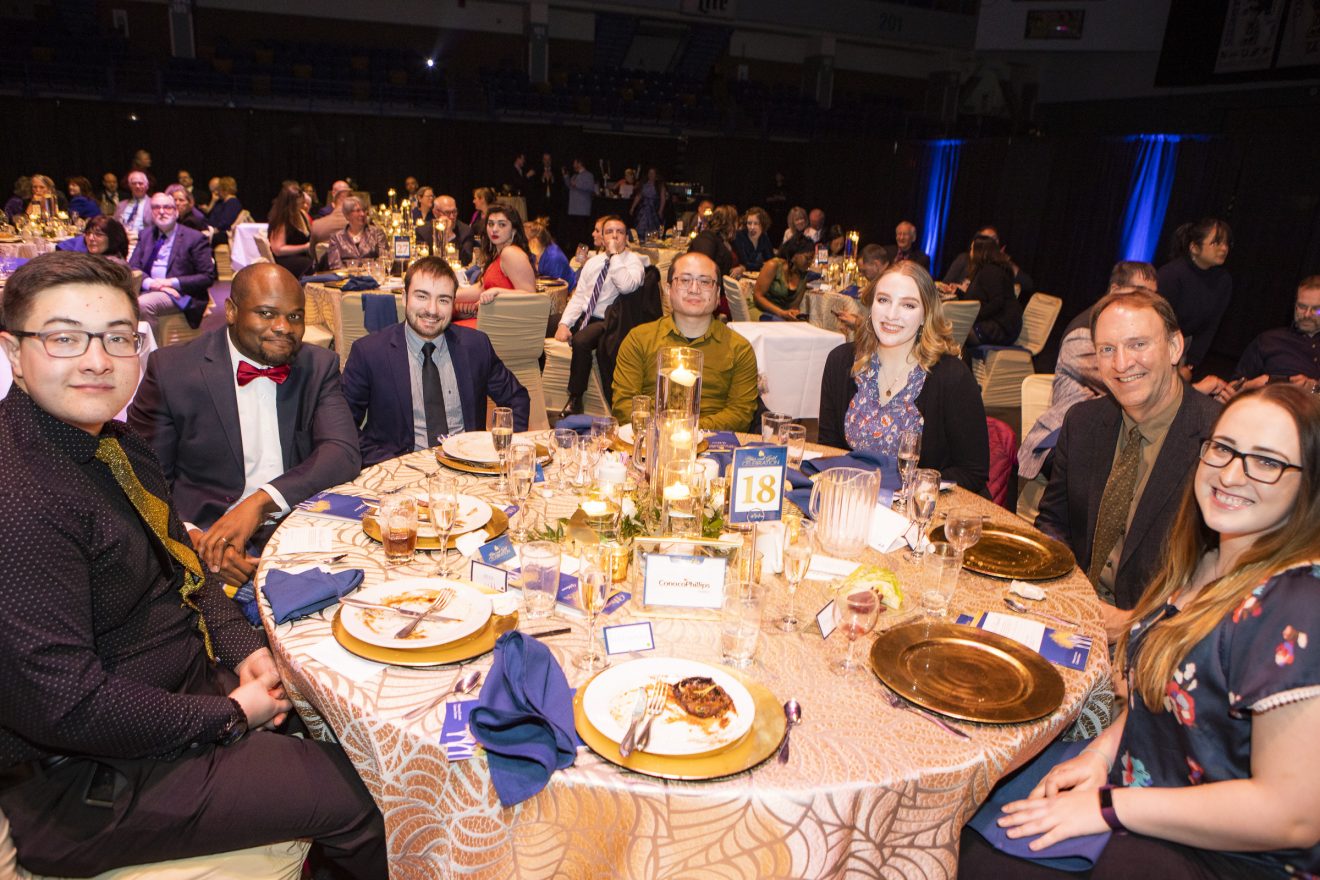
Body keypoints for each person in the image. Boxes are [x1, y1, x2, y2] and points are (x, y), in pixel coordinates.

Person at [0, 252, 386, 878]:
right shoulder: (19, 497)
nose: (97, 360)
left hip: (178, 697)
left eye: (117, 338)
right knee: (369, 793)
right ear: (15, 353)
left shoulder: (113, 448)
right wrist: (233, 714)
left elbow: (182, 564)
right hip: (92, 782)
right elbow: (66, 706)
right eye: (64, 338)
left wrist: (242, 648)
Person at [962, 384, 1320, 880]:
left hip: (1223, 852)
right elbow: (1162, 705)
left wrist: (1109, 807)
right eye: (1223, 448)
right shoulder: (1207, 560)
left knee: (982, 861)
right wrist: (1099, 754)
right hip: (1143, 790)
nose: (1232, 474)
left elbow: (1292, 815)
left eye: (1267, 461)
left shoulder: (1297, 604)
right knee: (966, 806)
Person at [127, 263, 360, 587]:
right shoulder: (173, 371)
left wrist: (259, 503)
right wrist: (196, 543)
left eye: (294, 316)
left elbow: (342, 452)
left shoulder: (318, 366)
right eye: (266, 313)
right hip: (207, 537)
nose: (283, 327)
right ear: (232, 311)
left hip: (299, 530)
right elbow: (143, 479)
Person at [1036, 289, 1221, 640]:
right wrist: (1065, 592)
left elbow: (1228, 577)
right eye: (1107, 349)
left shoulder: (1219, 440)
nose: (1121, 364)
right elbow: (1053, 521)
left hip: (1162, 639)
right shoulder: (1083, 422)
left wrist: (1135, 623)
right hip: (1071, 615)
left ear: (1174, 348)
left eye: (1137, 345)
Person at [818, 262, 989, 495]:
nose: (891, 314)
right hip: (852, 502)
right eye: (883, 300)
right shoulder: (841, 362)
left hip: (921, 512)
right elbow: (829, 450)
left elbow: (972, 472)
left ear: (925, 315)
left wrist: (901, 490)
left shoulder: (952, 378)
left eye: (908, 305)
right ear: (871, 305)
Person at [341, 257, 530, 465]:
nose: (432, 310)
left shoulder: (475, 346)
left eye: (443, 300)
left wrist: (503, 452)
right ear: (404, 298)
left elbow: (516, 398)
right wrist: (390, 466)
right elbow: (341, 424)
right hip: (401, 474)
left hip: (468, 471)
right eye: (422, 296)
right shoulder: (369, 353)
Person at [1019, 261, 1159, 482]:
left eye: (1153, 295)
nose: (1149, 302)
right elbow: (1128, 384)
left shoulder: (1129, 334)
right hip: (1063, 437)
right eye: (1140, 292)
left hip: (1107, 434)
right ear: (1115, 290)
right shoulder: (1084, 333)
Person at [610, 252, 759, 432]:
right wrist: (665, 430)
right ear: (668, 290)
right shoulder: (639, 340)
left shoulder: (739, 349)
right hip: (650, 444)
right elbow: (624, 405)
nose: (694, 289)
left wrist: (689, 430)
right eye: (685, 280)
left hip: (715, 447)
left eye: (705, 282)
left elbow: (740, 414)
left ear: (718, 294)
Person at [554, 216, 646, 416]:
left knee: (581, 340)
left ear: (626, 237)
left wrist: (615, 257)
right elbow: (579, 297)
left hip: (612, 320)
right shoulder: (593, 262)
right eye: (609, 232)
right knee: (549, 322)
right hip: (587, 316)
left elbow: (627, 286)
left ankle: (575, 398)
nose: (614, 235)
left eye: (619, 232)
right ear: (602, 238)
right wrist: (564, 324)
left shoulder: (633, 262)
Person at [126, 193, 217, 332]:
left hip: (181, 294)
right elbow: (133, 267)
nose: (161, 212)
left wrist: (170, 282)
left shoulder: (194, 238)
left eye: (167, 207)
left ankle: (152, 351)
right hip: (151, 288)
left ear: (176, 212)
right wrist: (154, 285)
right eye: (156, 207)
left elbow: (207, 276)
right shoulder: (146, 235)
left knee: (143, 304)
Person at [1157, 217, 1233, 372]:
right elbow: (1160, 322)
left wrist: (1191, 363)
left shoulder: (1223, 281)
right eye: (1216, 243)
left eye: (1226, 243)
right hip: (1158, 343)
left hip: (1185, 349)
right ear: (1194, 248)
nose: (1224, 248)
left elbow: (1211, 325)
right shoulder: (1171, 275)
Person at [1225, 276, 1320, 393]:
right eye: (1302, 307)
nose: (1307, 315)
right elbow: (1232, 388)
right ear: (1295, 306)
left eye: (1316, 310)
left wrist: (1315, 388)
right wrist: (1250, 385)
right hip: (1266, 404)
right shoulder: (1269, 341)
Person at [456, 203, 536, 317]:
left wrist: (498, 292)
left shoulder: (511, 253)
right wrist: (450, 294)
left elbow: (531, 296)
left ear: (513, 230)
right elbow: (482, 288)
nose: (494, 229)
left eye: (502, 225)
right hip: (495, 319)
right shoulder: (498, 253)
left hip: (507, 324)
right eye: (490, 224)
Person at [965, 234, 1023, 346]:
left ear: (980, 252)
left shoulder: (991, 271)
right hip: (996, 323)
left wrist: (973, 317)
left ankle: (960, 362)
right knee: (956, 331)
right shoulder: (987, 270)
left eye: (972, 249)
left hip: (1001, 327)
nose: (970, 252)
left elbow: (997, 302)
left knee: (957, 333)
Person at [834, 243, 892, 331]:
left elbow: (883, 324)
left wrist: (856, 322)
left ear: (876, 265)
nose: (861, 274)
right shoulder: (885, 278)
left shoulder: (891, 282)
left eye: (864, 271)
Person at [754, 236, 813, 321]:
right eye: (807, 258)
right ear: (794, 255)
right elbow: (757, 296)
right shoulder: (774, 265)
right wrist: (780, 312)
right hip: (760, 310)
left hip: (781, 316)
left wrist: (793, 315)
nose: (810, 262)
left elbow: (794, 307)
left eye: (812, 259)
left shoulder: (803, 277)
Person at [325, 197, 387, 271]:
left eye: (364, 210)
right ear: (347, 215)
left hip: (372, 278)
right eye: (358, 211)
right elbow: (336, 266)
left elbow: (384, 259)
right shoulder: (336, 238)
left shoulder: (377, 233)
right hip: (347, 280)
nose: (362, 214)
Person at [265, 185, 313, 279]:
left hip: (302, 256)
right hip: (286, 259)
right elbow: (278, 250)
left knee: (324, 259)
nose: (302, 205)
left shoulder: (302, 215)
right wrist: (304, 247)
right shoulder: (281, 220)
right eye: (299, 203)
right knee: (309, 264)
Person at [687, 204, 740, 280]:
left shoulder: (726, 241)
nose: (737, 225)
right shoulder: (707, 238)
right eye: (735, 221)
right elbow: (703, 267)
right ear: (728, 223)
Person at [419, 194, 476, 265]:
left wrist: (450, 235)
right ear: (435, 212)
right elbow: (421, 261)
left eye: (454, 212)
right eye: (447, 213)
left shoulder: (465, 231)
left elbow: (466, 261)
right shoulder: (422, 231)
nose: (452, 216)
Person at [54, 215, 130, 262]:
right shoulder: (92, 260)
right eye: (88, 233)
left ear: (112, 239)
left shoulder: (114, 265)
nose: (90, 238)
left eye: (98, 234)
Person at [525, 219, 575, 287]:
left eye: (524, 240)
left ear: (534, 241)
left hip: (567, 291)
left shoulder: (553, 257)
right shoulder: (534, 253)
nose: (522, 244)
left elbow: (556, 288)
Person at [563, 159, 596, 250]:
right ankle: (574, 252)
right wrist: (566, 177)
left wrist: (576, 184)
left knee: (582, 234)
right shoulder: (574, 176)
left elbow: (590, 188)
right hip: (573, 209)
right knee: (574, 233)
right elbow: (570, 186)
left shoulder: (589, 175)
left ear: (579, 163)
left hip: (583, 210)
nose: (573, 165)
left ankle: (582, 253)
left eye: (574, 163)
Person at [733, 206, 775, 273]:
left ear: (762, 225)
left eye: (756, 224)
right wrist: (762, 265)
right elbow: (745, 262)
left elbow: (771, 261)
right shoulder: (739, 236)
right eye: (749, 223)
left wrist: (765, 265)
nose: (752, 227)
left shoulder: (764, 237)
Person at [630, 167, 666, 240]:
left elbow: (663, 199)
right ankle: (641, 239)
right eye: (650, 173)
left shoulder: (659, 186)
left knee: (653, 226)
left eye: (652, 173)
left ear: (656, 175)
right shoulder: (644, 184)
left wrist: (660, 210)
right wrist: (632, 207)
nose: (651, 175)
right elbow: (638, 196)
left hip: (654, 208)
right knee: (641, 224)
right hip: (644, 208)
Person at [205, 176, 242, 246]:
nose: (217, 192)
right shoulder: (221, 203)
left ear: (224, 190)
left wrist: (213, 229)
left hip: (224, 233)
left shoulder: (232, 203)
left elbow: (225, 223)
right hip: (215, 230)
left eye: (219, 189)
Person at [113, 170, 151, 237]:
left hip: (143, 240)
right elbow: (114, 226)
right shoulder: (121, 205)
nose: (137, 186)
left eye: (140, 183)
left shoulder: (153, 204)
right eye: (134, 183)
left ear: (147, 186)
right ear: (130, 186)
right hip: (122, 240)